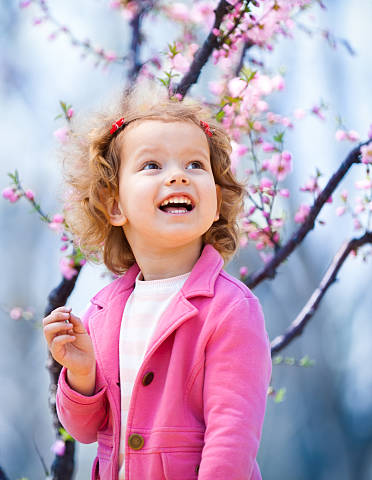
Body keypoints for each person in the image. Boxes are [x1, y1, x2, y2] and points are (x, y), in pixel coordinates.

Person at [42, 83, 273, 480]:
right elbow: (83, 429)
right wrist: (81, 374)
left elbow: (232, 438)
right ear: (114, 205)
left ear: (216, 202)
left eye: (195, 165)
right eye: (153, 165)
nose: (178, 176)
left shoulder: (229, 309)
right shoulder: (104, 311)